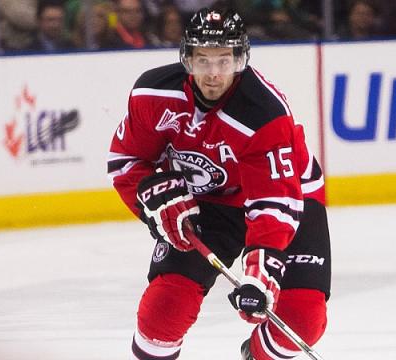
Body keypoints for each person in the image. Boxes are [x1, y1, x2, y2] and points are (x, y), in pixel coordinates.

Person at [107, 8, 330, 360]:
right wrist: (148, 197)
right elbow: (127, 160)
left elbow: (274, 203)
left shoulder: (264, 114)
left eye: (224, 61)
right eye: (203, 60)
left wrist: (261, 273)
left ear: (239, 60)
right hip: (206, 206)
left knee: (302, 318)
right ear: (187, 58)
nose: (213, 74)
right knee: (162, 312)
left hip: (289, 199)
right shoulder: (152, 93)